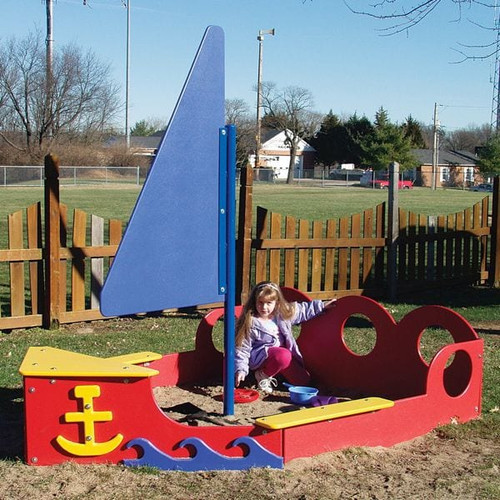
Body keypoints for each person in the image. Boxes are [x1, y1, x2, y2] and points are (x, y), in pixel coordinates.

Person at [234, 281, 336, 394]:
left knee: (304, 382)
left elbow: (302, 310)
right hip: (260, 359)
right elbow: (242, 347)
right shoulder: (251, 321)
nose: (264, 307)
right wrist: (241, 369)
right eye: (260, 302)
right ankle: (262, 375)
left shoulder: (282, 314)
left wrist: (321, 306)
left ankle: (276, 374)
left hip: (280, 357)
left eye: (269, 303)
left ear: (277, 303)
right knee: (283, 355)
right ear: (254, 301)